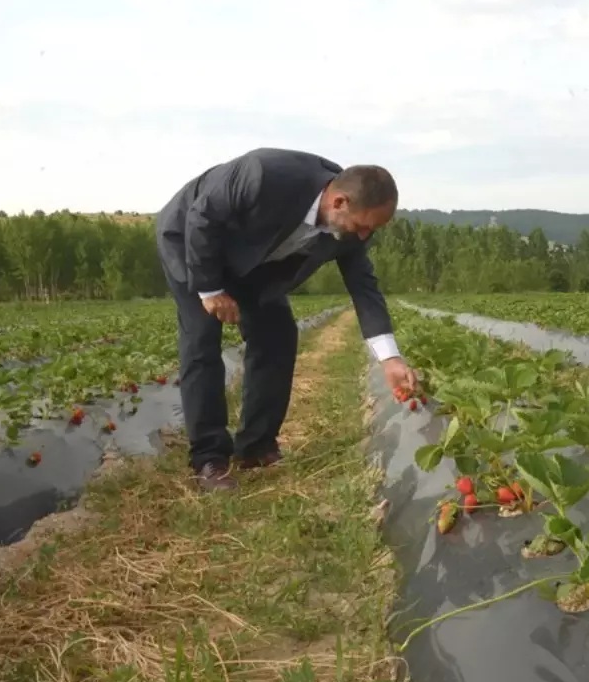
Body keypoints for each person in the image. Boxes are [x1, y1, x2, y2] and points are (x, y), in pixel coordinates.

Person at [155, 148, 419, 492]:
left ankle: (256, 446)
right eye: (364, 226)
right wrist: (209, 289)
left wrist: (390, 358)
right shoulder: (264, 174)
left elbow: (363, 285)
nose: (365, 236)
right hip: (192, 242)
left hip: (253, 265)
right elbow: (202, 216)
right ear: (339, 202)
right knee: (202, 339)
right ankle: (209, 458)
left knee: (277, 334)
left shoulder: (351, 226)